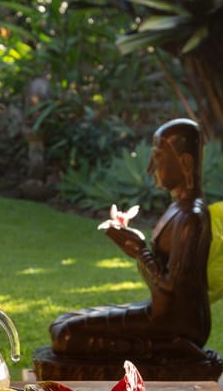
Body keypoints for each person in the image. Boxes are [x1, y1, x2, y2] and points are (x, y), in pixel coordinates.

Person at [50, 118, 212, 360]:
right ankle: (162, 347)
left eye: (157, 158)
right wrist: (136, 248)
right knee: (60, 323)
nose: (150, 168)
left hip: (176, 322)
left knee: (67, 336)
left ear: (185, 163)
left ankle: (169, 347)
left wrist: (140, 251)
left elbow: (173, 286)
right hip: (156, 311)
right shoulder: (178, 209)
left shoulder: (191, 217)